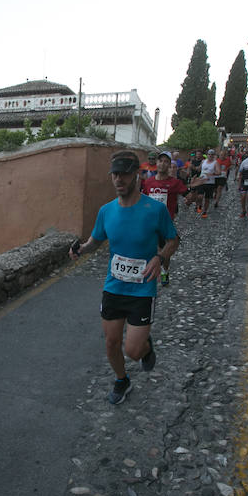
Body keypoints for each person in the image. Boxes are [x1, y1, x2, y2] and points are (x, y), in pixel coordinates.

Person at [69, 151, 180, 405]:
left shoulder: (155, 210)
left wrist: (160, 257)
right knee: (111, 342)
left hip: (142, 290)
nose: (118, 179)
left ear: (137, 176)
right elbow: (95, 241)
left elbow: (174, 240)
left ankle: (145, 347)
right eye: (115, 174)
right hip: (114, 286)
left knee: (132, 351)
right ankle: (122, 380)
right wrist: (80, 249)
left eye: (124, 174)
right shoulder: (106, 211)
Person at [141, 151, 188, 287]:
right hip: (149, 222)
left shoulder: (174, 183)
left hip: (165, 223)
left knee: (165, 251)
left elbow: (187, 194)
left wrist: (191, 195)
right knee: (150, 248)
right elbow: (143, 199)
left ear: (169, 165)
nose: (162, 164)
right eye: (160, 161)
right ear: (156, 163)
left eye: (166, 161)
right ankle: (149, 271)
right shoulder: (148, 182)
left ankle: (165, 272)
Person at [198, 149, 221, 218]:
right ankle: (200, 205)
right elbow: (199, 169)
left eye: (212, 154)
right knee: (200, 196)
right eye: (209, 154)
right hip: (202, 181)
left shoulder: (215, 163)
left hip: (210, 183)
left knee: (207, 199)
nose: (210, 156)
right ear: (207, 155)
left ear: (214, 156)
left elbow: (219, 172)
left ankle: (204, 211)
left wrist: (212, 174)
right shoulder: (203, 161)